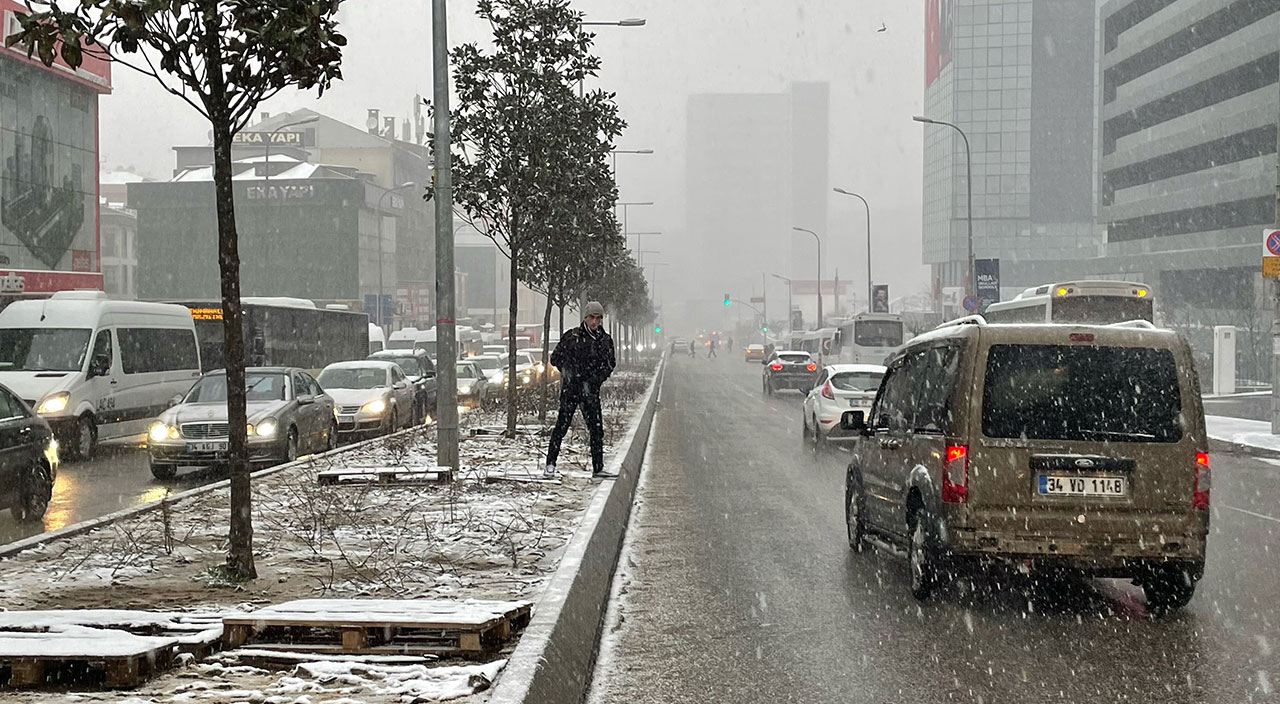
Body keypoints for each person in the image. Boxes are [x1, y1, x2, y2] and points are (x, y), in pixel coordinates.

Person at [545, 302, 617, 479]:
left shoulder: (605, 340)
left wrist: (596, 379)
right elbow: (555, 358)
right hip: (571, 390)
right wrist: (569, 373)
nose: (595, 321)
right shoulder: (572, 337)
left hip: (591, 392)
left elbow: (609, 364)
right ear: (585, 317)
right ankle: (550, 464)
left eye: (598, 318)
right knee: (561, 426)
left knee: (596, 429)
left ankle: (598, 467)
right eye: (592, 317)